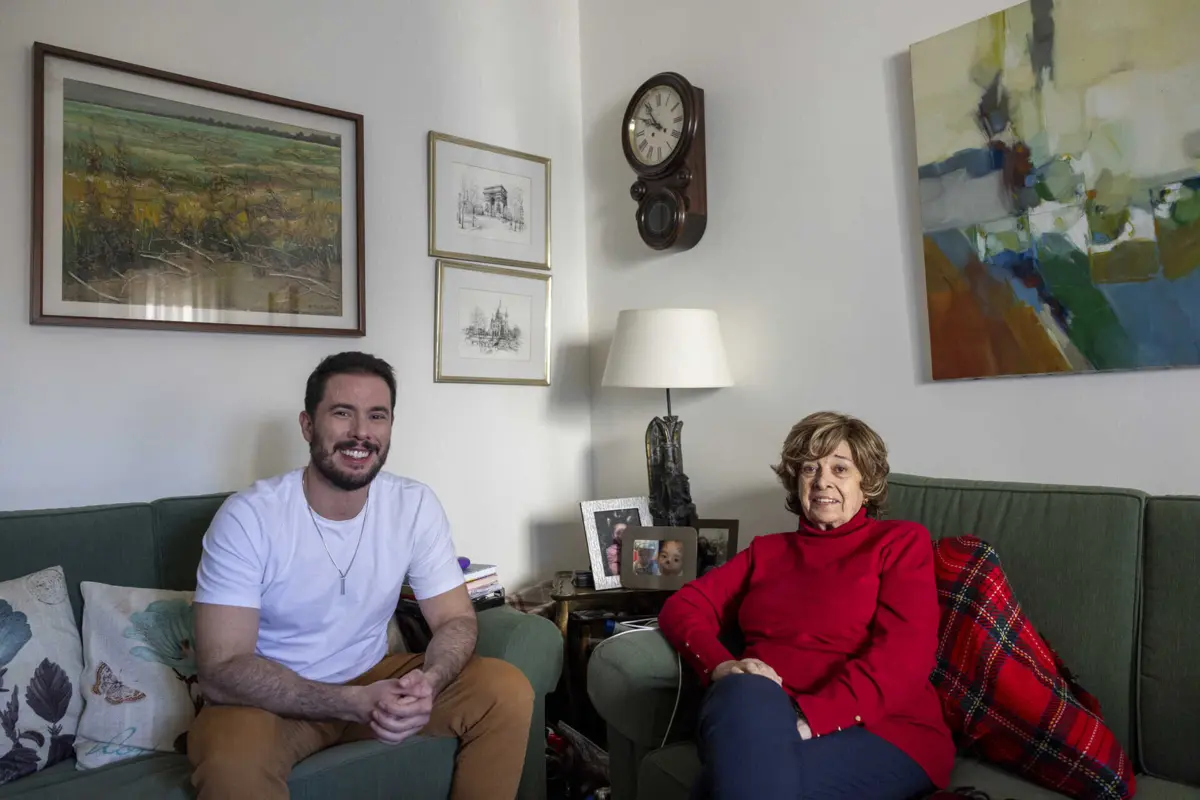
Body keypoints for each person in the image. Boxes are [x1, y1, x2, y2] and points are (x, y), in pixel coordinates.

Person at [186, 351, 534, 800]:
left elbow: (455, 620)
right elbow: (220, 670)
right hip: (272, 702)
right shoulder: (248, 517)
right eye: (342, 413)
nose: (361, 433)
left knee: (505, 690)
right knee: (231, 764)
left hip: (373, 679)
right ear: (308, 426)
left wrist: (429, 681)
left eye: (377, 416)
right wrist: (347, 702)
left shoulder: (413, 505)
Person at [658, 411, 955, 800]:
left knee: (725, 783)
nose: (822, 480)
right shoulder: (766, 551)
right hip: (761, 715)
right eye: (809, 469)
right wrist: (721, 665)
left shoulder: (899, 543)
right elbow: (682, 607)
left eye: (840, 468)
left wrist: (807, 720)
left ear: (867, 482)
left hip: (883, 729)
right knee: (743, 688)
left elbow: (903, 661)